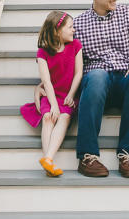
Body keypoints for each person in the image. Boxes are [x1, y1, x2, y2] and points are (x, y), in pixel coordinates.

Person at [73, 0, 129, 179]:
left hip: (126, 75)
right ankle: (87, 156)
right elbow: (68, 60)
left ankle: (128, 155)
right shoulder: (79, 24)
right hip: (97, 82)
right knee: (97, 76)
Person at [19, 10, 83, 177]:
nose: (73, 30)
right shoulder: (43, 52)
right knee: (48, 117)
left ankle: (47, 159)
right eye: (70, 27)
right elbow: (46, 81)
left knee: (64, 117)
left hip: (68, 94)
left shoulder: (76, 45)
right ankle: (48, 161)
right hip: (51, 94)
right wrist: (53, 104)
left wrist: (71, 94)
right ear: (57, 30)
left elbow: (79, 73)